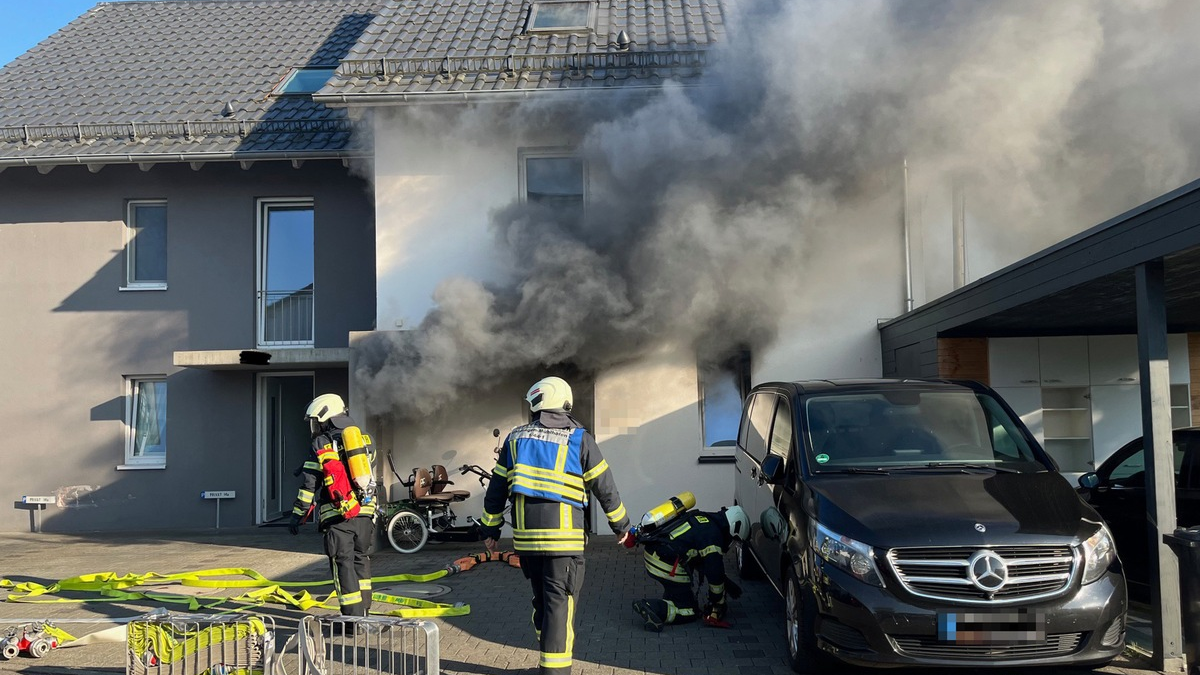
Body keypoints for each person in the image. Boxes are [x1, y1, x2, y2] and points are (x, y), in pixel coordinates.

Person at [478, 376, 632, 675]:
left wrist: (490, 531)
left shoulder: (515, 438)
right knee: (559, 606)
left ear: (538, 401)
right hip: (564, 543)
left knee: (542, 600)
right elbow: (605, 487)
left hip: (527, 543)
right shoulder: (580, 439)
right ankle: (555, 671)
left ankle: (546, 655)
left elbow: (496, 490)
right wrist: (621, 526)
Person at [288, 393, 377, 617]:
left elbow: (309, 485)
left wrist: (297, 515)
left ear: (325, 417)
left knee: (342, 565)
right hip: (366, 514)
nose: (315, 426)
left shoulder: (321, 442)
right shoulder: (365, 438)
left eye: (316, 421)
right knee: (361, 559)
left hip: (339, 516)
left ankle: (351, 620)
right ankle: (364, 614)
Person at [632, 505, 749, 631]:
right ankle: (652, 607)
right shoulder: (713, 536)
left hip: (657, 554)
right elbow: (714, 572)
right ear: (734, 527)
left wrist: (726, 582)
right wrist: (717, 603)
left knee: (681, 596)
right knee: (689, 611)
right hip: (665, 562)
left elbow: (699, 559)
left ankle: (671, 599)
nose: (731, 544)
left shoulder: (704, 519)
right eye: (734, 539)